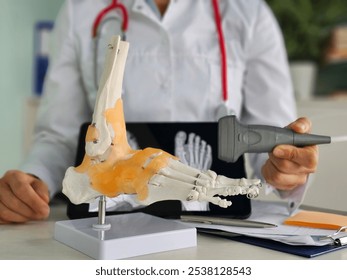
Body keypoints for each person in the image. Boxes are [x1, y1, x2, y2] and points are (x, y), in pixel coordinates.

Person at [0, 0, 318, 223]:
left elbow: (272, 144)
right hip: (112, 219)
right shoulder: (82, 10)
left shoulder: (249, 13)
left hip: (213, 225)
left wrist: (284, 168)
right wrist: (33, 180)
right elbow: (60, 135)